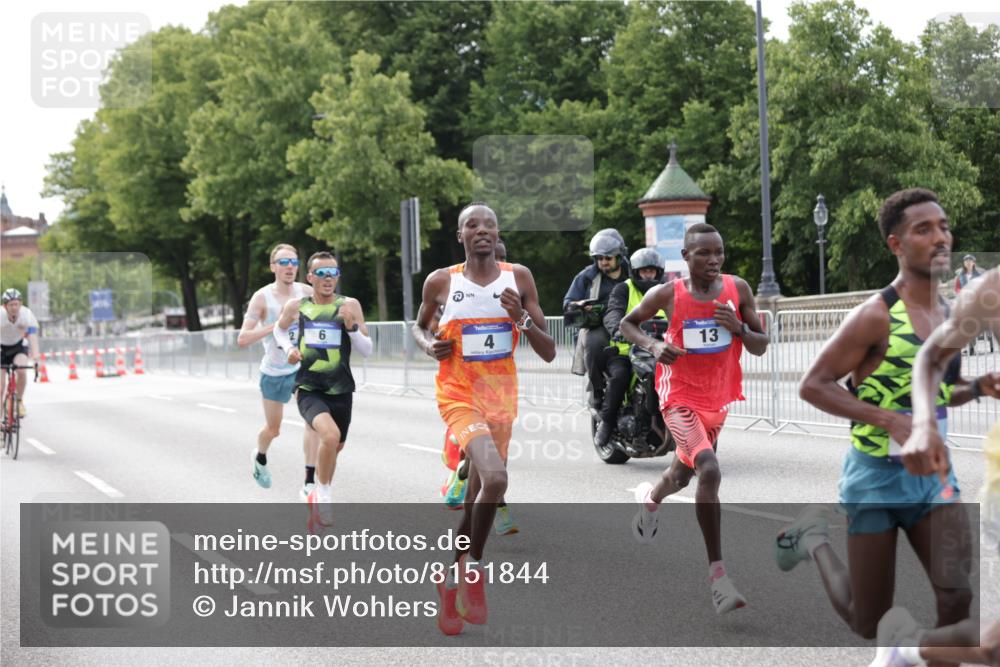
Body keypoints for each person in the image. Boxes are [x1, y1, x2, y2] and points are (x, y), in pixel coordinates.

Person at [779, 188, 979, 642]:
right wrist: (887, 419)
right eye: (923, 229)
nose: (940, 237)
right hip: (874, 480)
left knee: (956, 598)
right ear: (896, 244)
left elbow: (941, 394)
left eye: (944, 227)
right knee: (868, 621)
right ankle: (813, 540)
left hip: (933, 479)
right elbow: (814, 384)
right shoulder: (876, 315)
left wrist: (980, 387)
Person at [412, 202, 555, 636]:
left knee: (478, 500)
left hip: (501, 400)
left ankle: (448, 579)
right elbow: (419, 327)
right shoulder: (442, 281)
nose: (482, 230)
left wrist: (522, 318)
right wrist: (428, 345)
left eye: (489, 224)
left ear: (497, 233)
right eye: (472, 225)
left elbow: (548, 350)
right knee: (494, 480)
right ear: (461, 236)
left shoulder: (519, 277)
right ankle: (473, 571)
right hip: (458, 395)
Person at [620, 223, 769, 614]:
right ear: (685, 258)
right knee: (710, 469)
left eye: (718, 252)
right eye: (704, 253)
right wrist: (654, 345)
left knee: (682, 476)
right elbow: (627, 323)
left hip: (718, 400)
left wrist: (738, 328)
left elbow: (761, 346)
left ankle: (650, 502)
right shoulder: (668, 294)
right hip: (678, 397)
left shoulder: (739, 291)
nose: (714, 260)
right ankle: (719, 578)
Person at [866, 267, 1000, 667]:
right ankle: (906, 648)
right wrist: (924, 423)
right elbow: (931, 356)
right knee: (994, 650)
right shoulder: (990, 292)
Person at [273, 252, 372, 530]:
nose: (328, 279)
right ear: (311, 277)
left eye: (333, 273)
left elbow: (367, 350)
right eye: (322, 273)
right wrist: (290, 348)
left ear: (338, 276)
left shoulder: (349, 305)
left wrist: (351, 326)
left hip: (341, 388)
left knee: (335, 446)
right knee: (329, 436)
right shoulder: (297, 306)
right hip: (308, 387)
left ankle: (318, 488)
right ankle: (324, 496)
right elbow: (279, 332)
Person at [238, 244, 319, 499]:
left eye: (294, 262)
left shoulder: (307, 292)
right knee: (274, 429)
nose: (289, 267)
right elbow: (243, 338)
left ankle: (309, 482)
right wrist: (277, 325)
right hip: (274, 371)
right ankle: (259, 456)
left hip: (302, 368)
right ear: (273, 267)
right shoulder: (262, 298)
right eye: (283, 263)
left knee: (313, 422)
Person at [441, 239, 509, 513]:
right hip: (465, 385)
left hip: (501, 384)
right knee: (485, 446)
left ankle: (464, 473)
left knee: (498, 449)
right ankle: (494, 504)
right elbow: (435, 322)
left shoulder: (514, 285)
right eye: (495, 257)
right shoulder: (456, 283)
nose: (499, 263)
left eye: (502, 258)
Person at [595, 247, 666, 448]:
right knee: (620, 376)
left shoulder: (667, 291)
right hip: (626, 351)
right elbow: (613, 312)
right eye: (644, 271)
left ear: (658, 272)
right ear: (635, 272)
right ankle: (607, 423)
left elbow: (682, 314)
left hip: (662, 351)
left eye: (651, 271)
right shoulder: (624, 289)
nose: (648, 275)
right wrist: (618, 330)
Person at [563, 229, 628, 409]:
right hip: (597, 326)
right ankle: (597, 391)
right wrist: (580, 306)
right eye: (599, 258)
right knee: (592, 344)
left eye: (608, 258)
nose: (603, 262)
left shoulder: (634, 272)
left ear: (619, 256)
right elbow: (568, 302)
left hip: (631, 324)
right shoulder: (586, 277)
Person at [1, 288, 40, 418]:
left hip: (18, 347)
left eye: (16, 304)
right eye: (11, 304)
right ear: (5, 306)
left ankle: (19, 401)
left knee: (22, 371)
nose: (14, 308)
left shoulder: (27, 314)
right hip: (1, 348)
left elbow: (33, 337)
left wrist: (36, 359)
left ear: (21, 304)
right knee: (0, 388)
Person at [954, 254, 994, 355]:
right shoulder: (960, 276)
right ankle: (970, 345)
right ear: (964, 263)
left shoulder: (979, 276)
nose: (968, 262)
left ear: (974, 263)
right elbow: (957, 288)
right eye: (966, 261)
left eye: (970, 261)